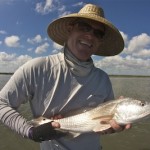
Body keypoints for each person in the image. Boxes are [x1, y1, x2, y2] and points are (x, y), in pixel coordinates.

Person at [0, 3, 131, 150]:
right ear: (70, 29)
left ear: (100, 41)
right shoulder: (37, 68)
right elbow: (2, 103)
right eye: (84, 27)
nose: (90, 35)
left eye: (98, 33)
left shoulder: (103, 79)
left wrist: (112, 127)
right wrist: (30, 131)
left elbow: (107, 121)